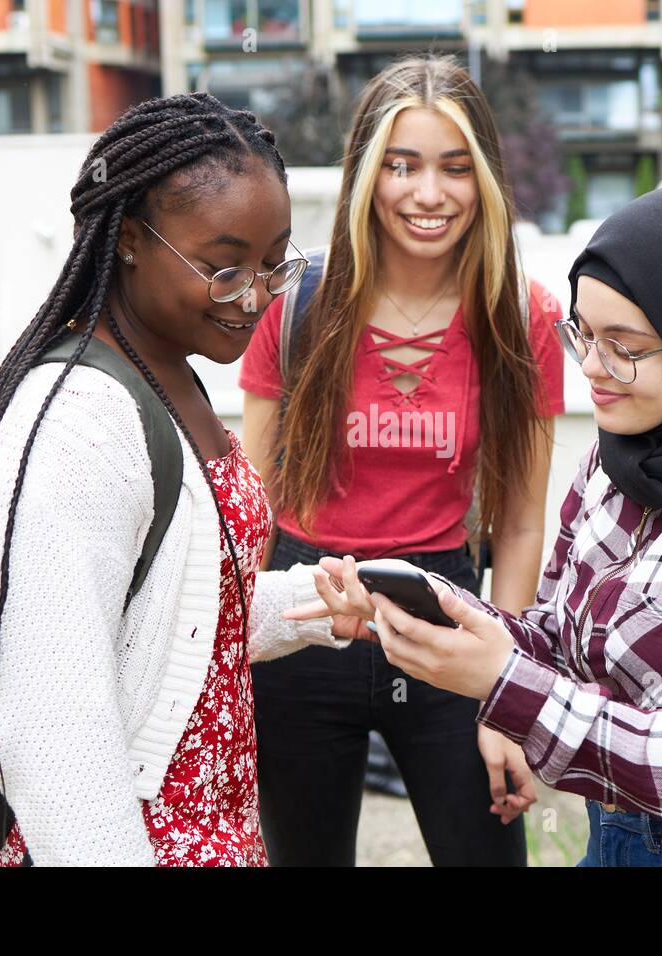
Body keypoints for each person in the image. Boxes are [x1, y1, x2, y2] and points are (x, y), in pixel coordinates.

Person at [295, 184, 662, 867]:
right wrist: (425, 613)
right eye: (583, 335)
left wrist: (501, 682)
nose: (594, 371)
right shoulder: (615, 464)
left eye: (626, 347)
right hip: (621, 831)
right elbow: (556, 635)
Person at [0, 93, 354, 867]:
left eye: (274, 262)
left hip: (214, 839)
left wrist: (320, 603)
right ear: (133, 243)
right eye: (221, 269)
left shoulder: (172, 366)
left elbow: (171, 619)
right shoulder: (81, 422)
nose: (254, 298)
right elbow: (49, 723)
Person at [238, 54, 565, 866]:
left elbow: (521, 523)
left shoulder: (524, 318)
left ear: (485, 178)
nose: (428, 194)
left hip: (448, 616)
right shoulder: (295, 305)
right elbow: (247, 509)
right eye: (402, 165)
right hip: (305, 615)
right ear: (366, 174)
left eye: (455, 168)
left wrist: (506, 693)